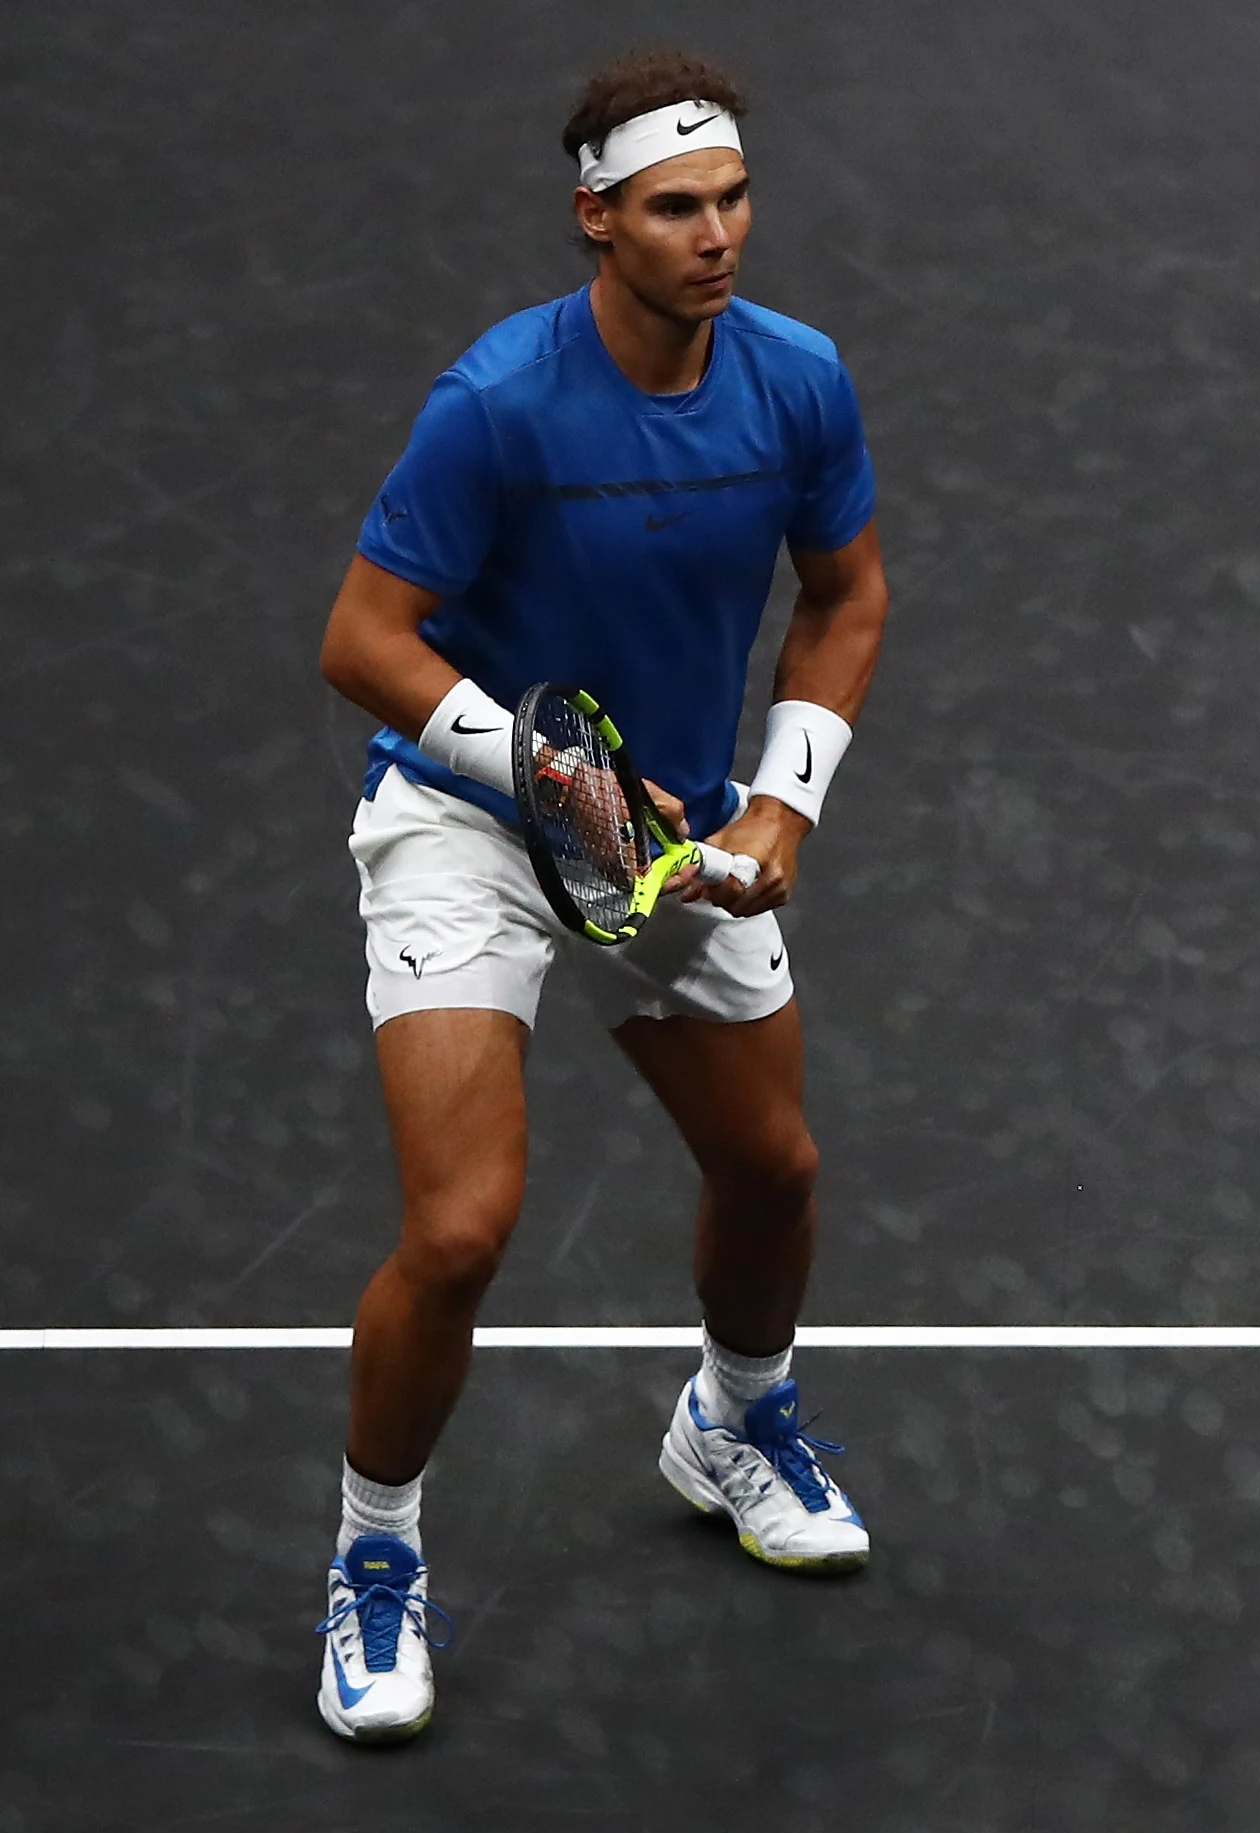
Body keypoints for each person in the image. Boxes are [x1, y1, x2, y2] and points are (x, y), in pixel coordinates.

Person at [308, 50, 887, 1745]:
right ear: (597, 222)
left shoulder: (797, 382)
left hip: (676, 822)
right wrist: (551, 783)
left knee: (771, 1169)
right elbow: (361, 642)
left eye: (732, 199)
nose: (716, 235)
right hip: (473, 820)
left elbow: (844, 599)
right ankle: (373, 1557)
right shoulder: (495, 404)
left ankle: (731, 1419)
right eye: (673, 209)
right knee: (463, 1225)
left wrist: (783, 805)